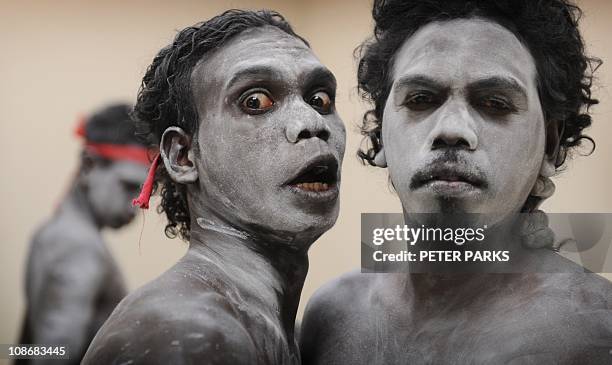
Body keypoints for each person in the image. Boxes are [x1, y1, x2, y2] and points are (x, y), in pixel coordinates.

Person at [300, 1, 612, 364]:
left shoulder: (594, 332)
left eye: (494, 103)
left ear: (550, 144)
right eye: (420, 99)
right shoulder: (331, 318)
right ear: (381, 134)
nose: (451, 130)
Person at [82, 9, 345, 365]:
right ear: (184, 156)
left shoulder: (285, 332)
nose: (312, 121)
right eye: (256, 102)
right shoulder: (190, 333)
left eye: (320, 99)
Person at [19, 104, 149, 364]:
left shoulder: (52, 233)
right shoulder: (78, 245)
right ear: (89, 165)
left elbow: (36, 347)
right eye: (128, 187)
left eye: (144, 191)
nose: (136, 204)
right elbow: (55, 353)